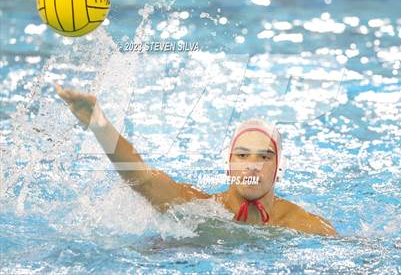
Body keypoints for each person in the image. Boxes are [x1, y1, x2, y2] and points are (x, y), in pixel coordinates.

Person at [54, 83, 337, 236]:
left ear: (279, 167)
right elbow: (141, 178)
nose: (252, 164)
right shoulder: (201, 208)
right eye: (242, 155)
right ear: (229, 165)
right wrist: (100, 125)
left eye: (264, 156)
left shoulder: (303, 226)